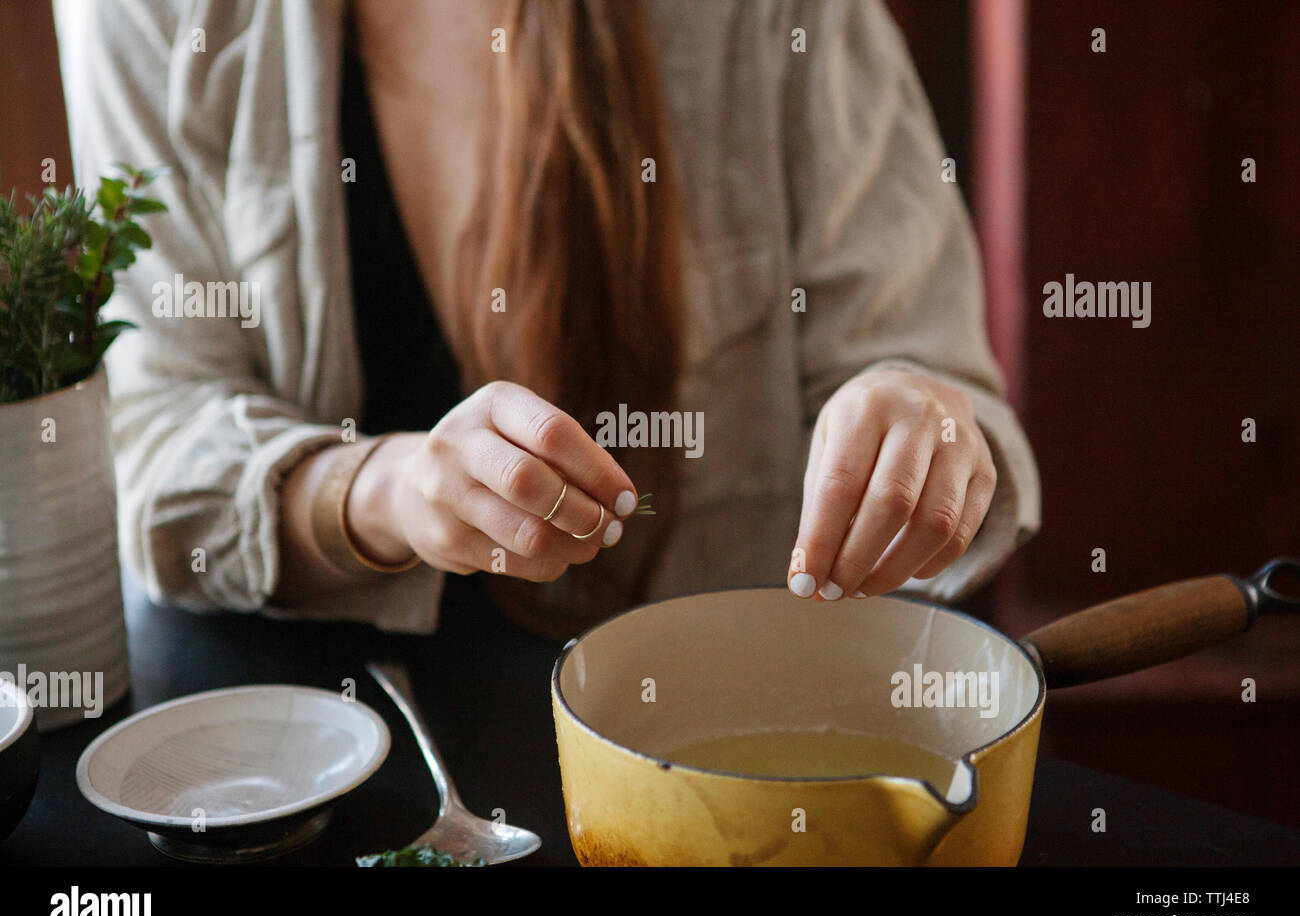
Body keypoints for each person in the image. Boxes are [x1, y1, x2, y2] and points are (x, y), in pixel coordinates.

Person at [53, 0, 1039, 641]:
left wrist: (920, 420)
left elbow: (951, 399)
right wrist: (385, 493)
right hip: (332, 750)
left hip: (722, 746)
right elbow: (157, 436)